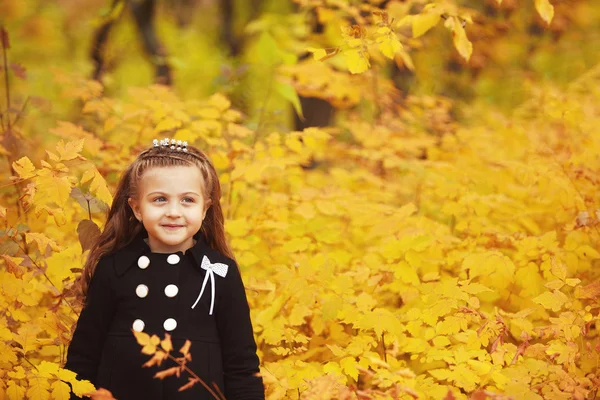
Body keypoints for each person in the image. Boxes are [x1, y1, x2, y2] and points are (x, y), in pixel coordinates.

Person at [65, 139, 265, 400]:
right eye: (159, 199)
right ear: (136, 208)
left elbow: (242, 365)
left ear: (205, 208)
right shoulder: (114, 268)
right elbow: (83, 358)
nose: (173, 212)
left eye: (187, 200)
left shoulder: (219, 273)